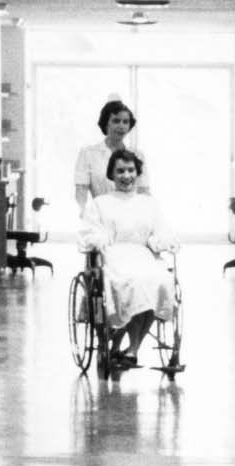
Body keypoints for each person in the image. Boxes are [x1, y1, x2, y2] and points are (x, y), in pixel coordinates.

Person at [80, 146, 177, 371]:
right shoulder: (100, 203)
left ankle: (133, 349)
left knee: (159, 280)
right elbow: (92, 231)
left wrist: (160, 241)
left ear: (138, 173)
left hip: (143, 254)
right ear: (112, 174)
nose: (126, 176)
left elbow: (161, 230)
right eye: (121, 171)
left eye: (131, 170)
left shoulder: (148, 203)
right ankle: (124, 346)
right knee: (132, 282)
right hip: (114, 255)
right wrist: (99, 241)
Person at [74, 99, 148, 207]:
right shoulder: (88, 154)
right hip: (101, 216)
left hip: (132, 217)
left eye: (125, 122)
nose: (121, 126)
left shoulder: (137, 155)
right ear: (106, 123)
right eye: (116, 121)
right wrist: (84, 216)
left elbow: (144, 192)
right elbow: (81, 193)